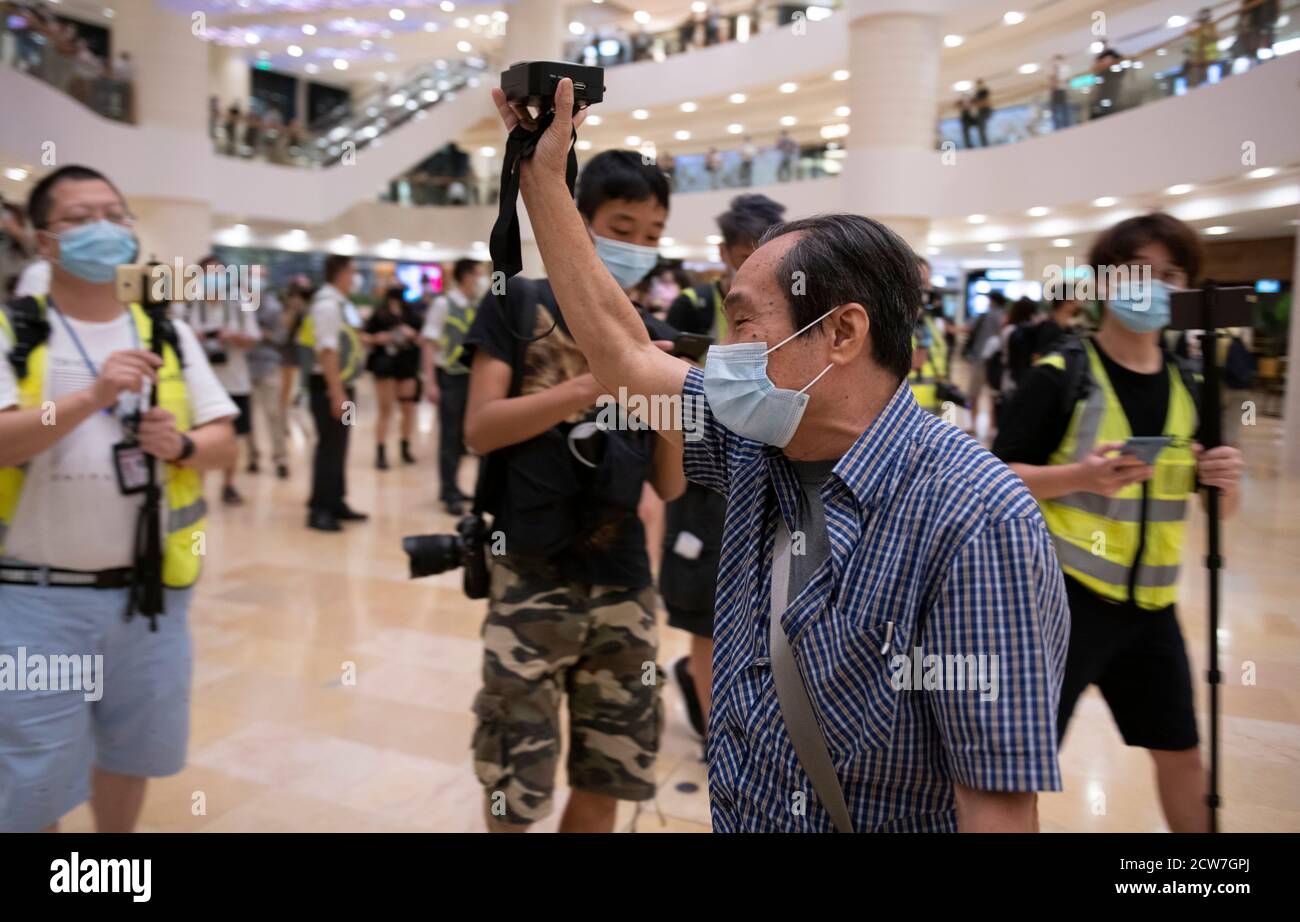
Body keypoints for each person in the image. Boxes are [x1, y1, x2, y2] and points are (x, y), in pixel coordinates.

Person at [490, 79, 1069, 832]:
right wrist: (540, 176)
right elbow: (625, 353)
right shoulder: (759, 440)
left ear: (841, 333)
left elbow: (996, 808)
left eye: (743, 322)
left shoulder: (975, 519)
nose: (722, 351)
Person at [0, 165, 237, 832]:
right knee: (33, 773)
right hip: (34, 598)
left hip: (150, 597)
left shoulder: (167, 332)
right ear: (45, 242)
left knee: (133, 750)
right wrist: (90, 399)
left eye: (113, 214)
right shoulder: (14, 331)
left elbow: (226, 443)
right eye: (78, 218)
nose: (101, 229)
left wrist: (182, 446)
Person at [993, 213, 1244, 833]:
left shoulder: (1192, 383)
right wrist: (1079, 477)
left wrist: (1225, 484)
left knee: (1182, 753)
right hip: (1060, 603)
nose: (1153, 287)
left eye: (1168, 275)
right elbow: (992, 478)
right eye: (1138, 274)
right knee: (1018, 767)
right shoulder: (1061, 374)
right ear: (1103, 283)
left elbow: (1218, 509)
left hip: (1153, 609)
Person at [462, 148, 686, 832]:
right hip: (530, 573)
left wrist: (676, 406)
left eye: (652, 234)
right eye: (622, 226)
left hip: (623, 583)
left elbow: (668, 485)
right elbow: (480, 429)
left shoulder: (656, 338)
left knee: (610, 770)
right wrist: (592, 383)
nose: (637, 247)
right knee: (514, 778)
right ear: (579, 221)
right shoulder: (518, 303)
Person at [663, 193, 786, 745]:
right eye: (744, 253)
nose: (754, 264)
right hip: (702, 469)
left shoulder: (785, 307)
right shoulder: (690, 304)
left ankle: (718, 700)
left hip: (761, 467)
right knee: (704, 616)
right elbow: (661, 379)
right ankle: (719, 739)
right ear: (724, 251)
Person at [181, 255, 259, 505]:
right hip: (199, 383)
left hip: (234, 380)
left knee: (232, 436)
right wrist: (196, 338)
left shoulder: (238, 301)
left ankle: (229, 484)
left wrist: (233, 337)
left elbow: (253, 339)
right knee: (200, 436)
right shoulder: (189, 304)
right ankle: (199, 487)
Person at [302, 254, 368, 532]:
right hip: (330, 387)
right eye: (352, 271)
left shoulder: (342, 304)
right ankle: (319, 509)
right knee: (329, 446)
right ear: (340, 272)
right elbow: (326, 351)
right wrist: (337, 394)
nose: (354, 277)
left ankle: (337, 500)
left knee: (340, 445)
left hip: (343, 386)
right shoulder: (327, 306)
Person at [420, 259, 484, 513]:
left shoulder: (476, 305)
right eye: (478, 274)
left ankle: (457, 488)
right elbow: (428, 342)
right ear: (466, 276)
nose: (480, 279)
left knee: (463, 437)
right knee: (449, 436)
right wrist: (430, 382)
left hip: (473, 378)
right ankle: (448, 492)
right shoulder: (443, 303)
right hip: (450, 377)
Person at [366, 286, 421, 470]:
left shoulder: (411, 314)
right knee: (385, 409)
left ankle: (405, 447)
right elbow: (365, 336)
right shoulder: (379, 314)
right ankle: (381, 451)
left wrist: (411, 335)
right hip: (385, 365)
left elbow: (422, 338)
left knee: (408, 408)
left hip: (406, 364)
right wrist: (379, 338)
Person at [246, 269, 290, 479]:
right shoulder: (240, 306)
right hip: (244, 367)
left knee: (273, 413)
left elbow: (281, 338)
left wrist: (264, 335)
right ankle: (252, 456)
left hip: (268, 366)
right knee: (248, 417)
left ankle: (280, 457)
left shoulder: (273, 307)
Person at [962, 289, 1006, 430]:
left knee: (973, 394)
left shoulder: (984, 316)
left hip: (979, 359)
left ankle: (973, 425)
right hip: (996, 362)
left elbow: (968, 328)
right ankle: (993, 427)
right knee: (994, 396)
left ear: (992, 301)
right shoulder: (1005, 317)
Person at [1048, 53, 1072, 130]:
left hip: (1062, 91)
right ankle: (1057, 128)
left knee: (1064, 110)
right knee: (1055, 111)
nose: (1056, 62)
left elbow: (1066, 81)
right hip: (1055, 92)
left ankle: (1067, 126)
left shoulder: (1065, 69)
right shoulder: (1051, 70)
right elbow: (1051, 82)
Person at [972, 79, 992, 147]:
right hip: (982, 111)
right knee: (981, 129)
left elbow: (982, 101)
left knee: (982, 128)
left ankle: (985, 144)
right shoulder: (977, 93)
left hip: (985, 110)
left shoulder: (984, 91)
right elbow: (975, 102)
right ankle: (984, 144)